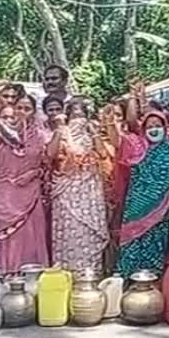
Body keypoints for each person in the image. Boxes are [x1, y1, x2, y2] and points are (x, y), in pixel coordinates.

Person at [0, 88, 50, 273]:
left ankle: (33, 279)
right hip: (7, 195)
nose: (22, 112)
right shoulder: (1, 132)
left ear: (33, 111)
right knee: (9, 239)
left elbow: (49, 161)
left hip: (31, 193)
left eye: (27, 108)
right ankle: (8, 277)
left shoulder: (39, 134)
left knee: (31, 237)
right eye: (19, 108)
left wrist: (35, 172)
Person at [112, 110, 169, 278]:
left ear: (165, 128)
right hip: (136, 205)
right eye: (149, 126)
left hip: (160, 209)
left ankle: (151, 280)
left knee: (154, 241)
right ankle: (126, 277)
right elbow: (120, 136)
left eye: (158, 126)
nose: (154, 130)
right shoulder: (136, 148)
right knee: (131, 240)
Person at [46, 98, 110, 272]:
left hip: (89, 189)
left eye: (82, 114)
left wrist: (94, 132)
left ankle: (90, 272)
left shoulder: (91, 132)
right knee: (69, 230)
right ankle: (68, 271)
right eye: (74, 114)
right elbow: (50, 154)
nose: (78, 119)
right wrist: (61, 130)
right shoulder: (62, 132)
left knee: (89, 233)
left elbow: (103, 153)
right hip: (67, 190)